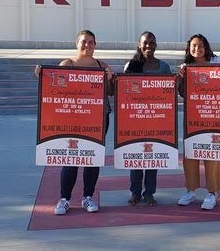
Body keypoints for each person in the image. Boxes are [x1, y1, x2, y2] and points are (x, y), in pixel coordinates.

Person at [35, 30, 114, 215]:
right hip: (72, 118)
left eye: (91, 42)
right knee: (71, 159)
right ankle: (65, 199)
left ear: (95, 45)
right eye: (84, 42)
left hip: (98, 119)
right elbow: (53, 84)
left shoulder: (102, 66)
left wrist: (110, 79)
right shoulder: (67, 64)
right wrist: (41, 75)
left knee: (92, 159)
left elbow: (111, 92)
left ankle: (88, 197)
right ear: (76, 43)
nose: (87, 45)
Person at [177, 33, 220, 210]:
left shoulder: (216, 61)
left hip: (213, 114)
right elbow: (182, 93)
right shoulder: (187, 66)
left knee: (211, 153)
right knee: (191, 154)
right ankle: (190, 190)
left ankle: (212, 192)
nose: (197, 49)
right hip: (193, 116)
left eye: (200, 45)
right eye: (193, 46)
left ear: (206, 47)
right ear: (189, 48)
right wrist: (181, 76)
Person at [124, 31, 171, 206]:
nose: (148, 46)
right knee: (136, 156)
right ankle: (135, 192)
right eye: (145, 43)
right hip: (135, 118)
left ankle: (149, 192)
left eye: (152, 43)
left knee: (153, 157)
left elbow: (170, 91)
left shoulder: (163, 67)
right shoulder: (131, 65)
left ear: (156, 45)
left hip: (157, 118)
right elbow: (124, 92)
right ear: (139, 44)